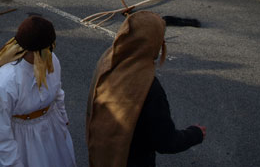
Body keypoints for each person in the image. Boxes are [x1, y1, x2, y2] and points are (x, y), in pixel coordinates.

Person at [87, 11, 205, 167]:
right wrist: (195, 133)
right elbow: (166, 142)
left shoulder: (107, 61)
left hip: (103, 155)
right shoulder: (148, 85)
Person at [0, 15, 76, 167]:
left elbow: (57, 92)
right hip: (25, 142)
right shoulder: (6, 82)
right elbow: (1, 133)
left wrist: (62, 116)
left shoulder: (52, 60)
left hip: (52, 130)